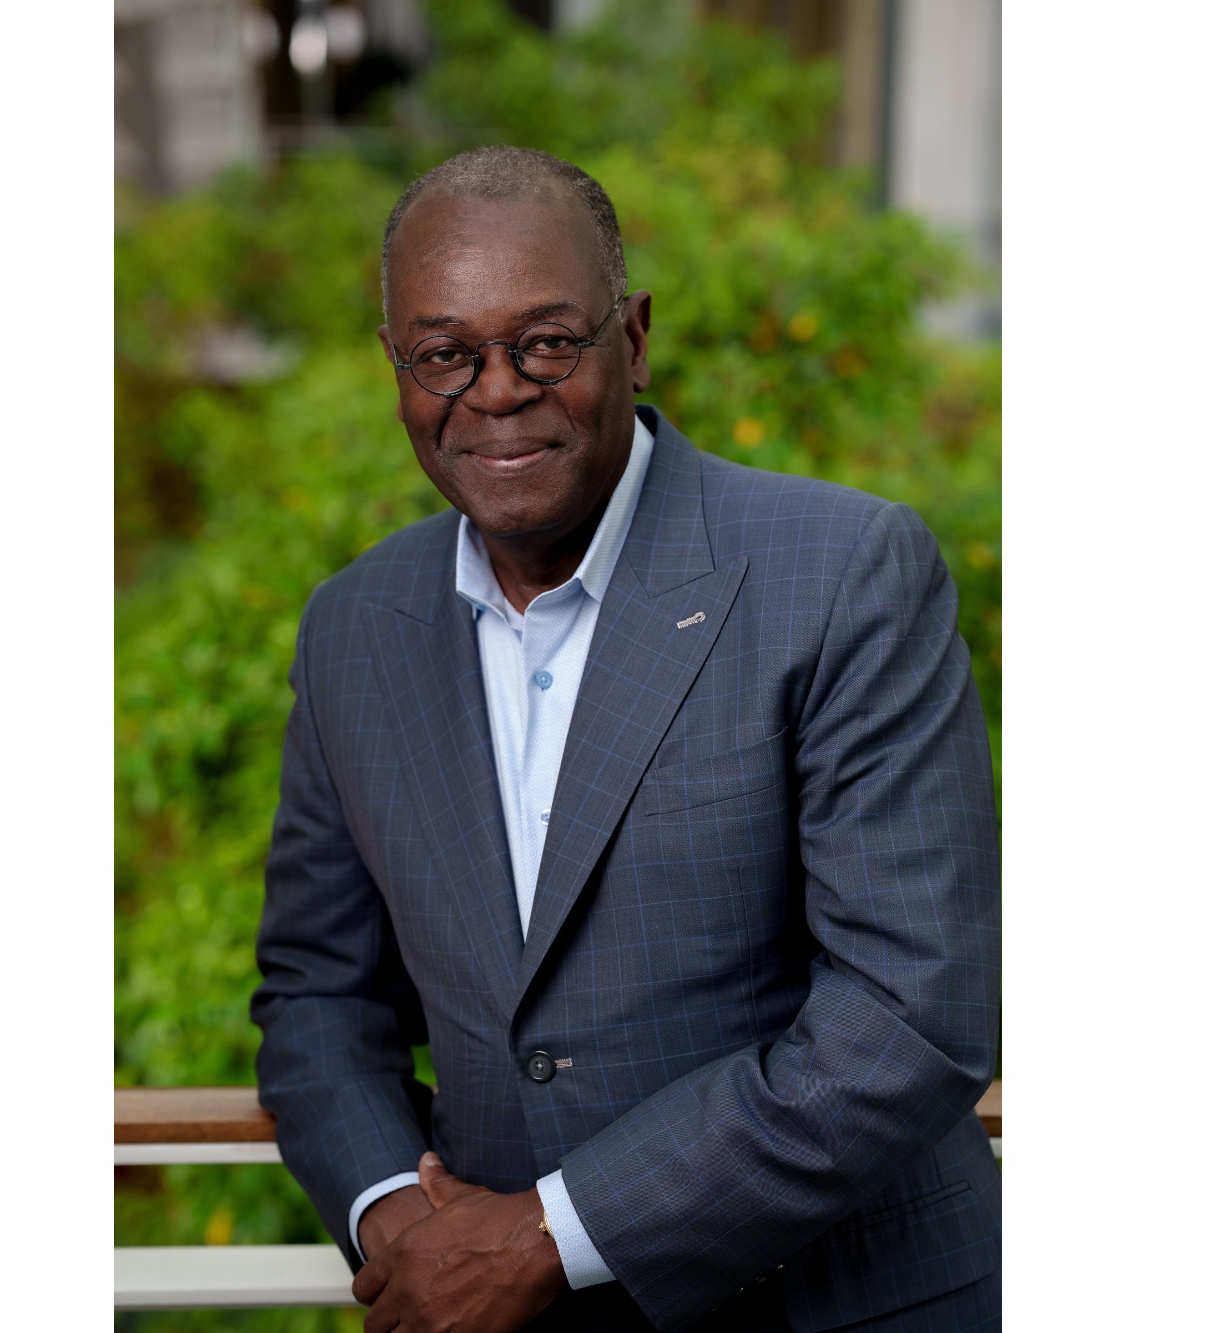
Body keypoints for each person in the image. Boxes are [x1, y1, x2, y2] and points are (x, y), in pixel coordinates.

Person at [252, 145, 1001, 1333]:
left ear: (633, 338)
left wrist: (549, 1234)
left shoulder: (843, 571)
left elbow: (909, 1012)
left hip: (838, 1304)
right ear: (396, 367)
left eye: (545, 342)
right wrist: (394, 1213)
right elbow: (315, 991)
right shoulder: (354, 625)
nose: (496, 391)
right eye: (444, 354)